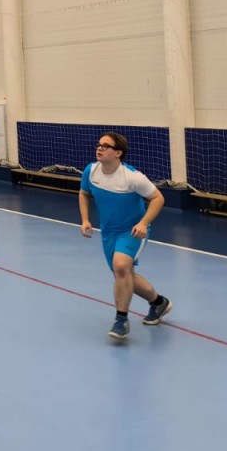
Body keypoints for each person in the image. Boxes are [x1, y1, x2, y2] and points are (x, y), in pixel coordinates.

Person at [78, 132, 172, 341]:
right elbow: (84, 193)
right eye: (98, 144)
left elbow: (158, 198)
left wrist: (143, 223)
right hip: (108, 231)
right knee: (123, 273)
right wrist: (85, 219)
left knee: (121, 267)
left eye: (105, 146)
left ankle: (121, 320)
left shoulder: (132, 177)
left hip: (132, 231)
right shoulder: (91, 171)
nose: (99, 148)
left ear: (118, 153)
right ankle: (158, 302)